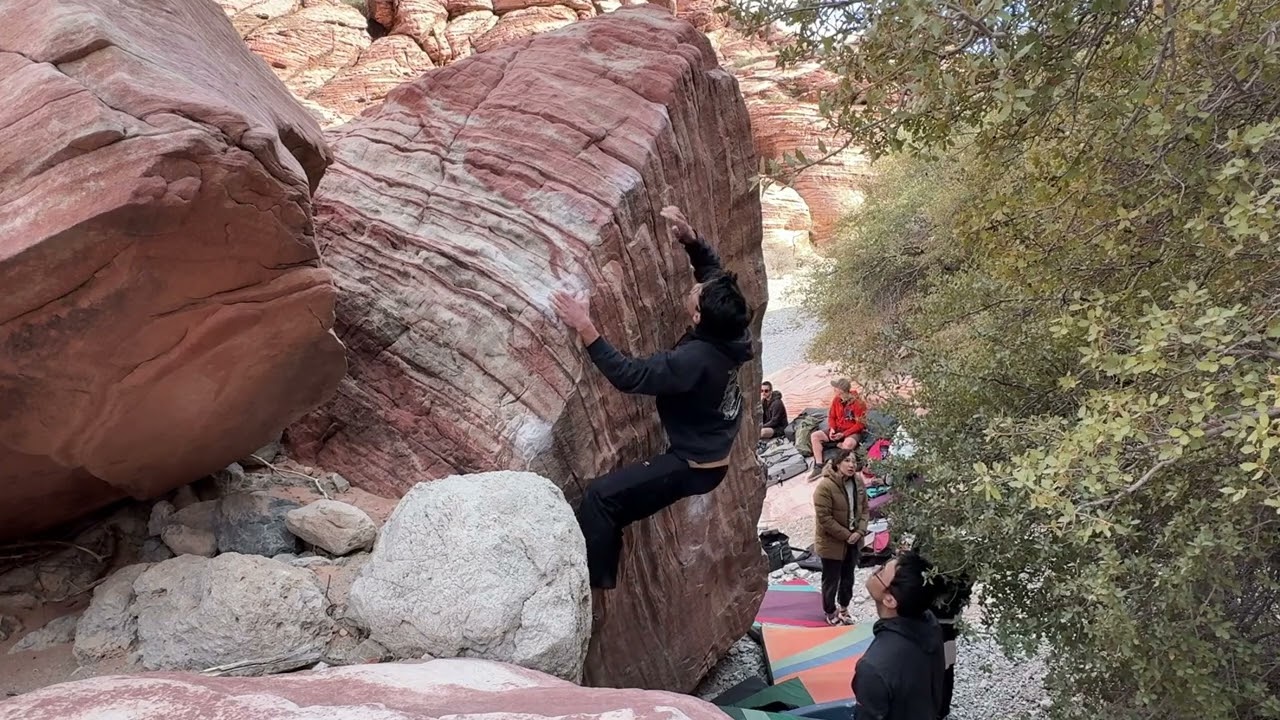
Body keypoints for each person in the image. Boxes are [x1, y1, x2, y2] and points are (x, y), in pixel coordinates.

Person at [552, 205, 753, 590]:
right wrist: (691, 240)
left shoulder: (693, 360)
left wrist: (585, 325)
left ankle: (592, 585)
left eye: (695, 298)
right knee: (618, 503)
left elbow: (631, 376)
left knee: (600, 498)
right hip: (710, 451)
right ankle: (605, 563)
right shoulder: (733, 328)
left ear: (697, 319)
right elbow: (714, 277)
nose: (693, 290)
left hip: (693, 466)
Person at [853, 551, 946, 720]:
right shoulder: (930, 623)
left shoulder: (872, 668)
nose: (874, 571)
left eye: (880, 571)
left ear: (890, 600)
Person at [812, 448, 869, 625]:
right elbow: (824, 519)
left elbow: (865, 509)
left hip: (853, 539)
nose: (852, 465)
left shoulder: (858, 482)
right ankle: (830, 610)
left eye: (853, 461)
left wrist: (860, 531)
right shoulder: (825, 486)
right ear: (837, 464)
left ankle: (844, 608)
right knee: (831, 579)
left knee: (848, 577)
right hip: (832, 542)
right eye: (847, 461)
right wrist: (847, 535)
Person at [808, 378, 867, 477]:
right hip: (838, 429)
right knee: (815, 436)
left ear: (842, 390)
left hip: (851, 431)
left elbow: (860, 424)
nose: (834, 390)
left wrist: (844, 434)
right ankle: (819, 465)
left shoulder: (858, 403)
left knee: (848, 444)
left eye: (836, 388)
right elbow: (832, 417)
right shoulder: (836, 400)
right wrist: (832, 429)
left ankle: (840, 464)